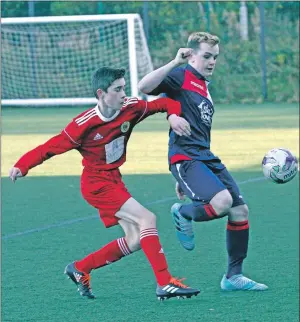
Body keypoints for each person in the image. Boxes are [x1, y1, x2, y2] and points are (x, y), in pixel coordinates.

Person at [9, 67, 200, 300]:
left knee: (136, 239)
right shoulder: (83, 124)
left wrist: (173, 115)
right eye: (117, 89)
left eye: (124, 88)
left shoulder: (130, 108)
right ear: (101, 93)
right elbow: (49, 148)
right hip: (96, 183)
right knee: (147, 218)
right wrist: (22, 165)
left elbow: (164, 104)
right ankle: (164, 282)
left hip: (113, 179)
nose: (123, 94)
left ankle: (80, 268)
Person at [138, 32, 268, 291]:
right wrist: (175, 62)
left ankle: (233, 277)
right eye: (207, 56)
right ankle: (182, 212)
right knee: (222, 203)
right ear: (192, 54)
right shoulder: (180, 75)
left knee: (240, 211)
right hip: (185, 156)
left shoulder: (203, 86)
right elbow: (144, 87)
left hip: (204, 157)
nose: (212, 62)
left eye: (215, 57)